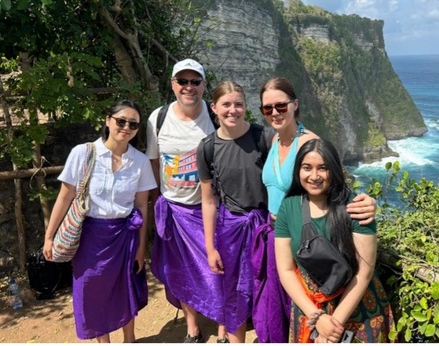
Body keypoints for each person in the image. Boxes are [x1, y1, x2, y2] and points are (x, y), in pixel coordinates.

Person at [252, 76, 377, 343]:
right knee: (277, 306)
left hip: (306, 236)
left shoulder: (308, 143)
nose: (275, 112)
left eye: (281, 106)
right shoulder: (274, 140)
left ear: (295, 105)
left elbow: (335, 182)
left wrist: (367, 202)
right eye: (267, 108)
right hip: (279, 231)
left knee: (296, 305)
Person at [43, 100, 156, 343]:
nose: (126, 127)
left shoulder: (140, 161)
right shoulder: (83, 153)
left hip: (125, 236)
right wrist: (49, 236)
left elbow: (141, 209)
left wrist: (139, 249)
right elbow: (65, 197)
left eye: (133, 124)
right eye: (121, 121)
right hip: (90, 237)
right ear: (108, 120)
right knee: (91, 290)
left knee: (125, 289)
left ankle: (129, 339)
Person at [275, 138, 394, 343]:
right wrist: (317, 317)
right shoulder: (288, 207)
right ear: (298, 171)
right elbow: (285, 269)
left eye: (323, 168)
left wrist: (333, 325)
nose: (314, 176)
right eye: (307, 168)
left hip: (355, 307)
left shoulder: (356, 207)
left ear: (334, 171)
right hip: (309, 306)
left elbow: (364, 273)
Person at [146, 58, 226, 343]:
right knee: (180, 272)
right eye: (183, 81)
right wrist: (161, 201)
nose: (188, 87)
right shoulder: (157, 118)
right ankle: (192, 327)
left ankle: (223, 328)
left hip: (210, 208)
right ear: (173, 84)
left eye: (195, 81)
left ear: (204, 85)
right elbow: (154, 163)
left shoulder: (216, 116)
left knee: (215, 270)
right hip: (174, 209)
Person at [198, 81, 270, 343]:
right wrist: (210, 247)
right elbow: (208, 201)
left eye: (238, 104)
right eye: (226, 104)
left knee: (267, 289)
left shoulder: (264, 138)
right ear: (214, 107)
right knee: (233, 294)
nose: (233, 110)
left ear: (246, 107)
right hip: (230, 229)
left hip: (264, 227)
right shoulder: (207, 147)